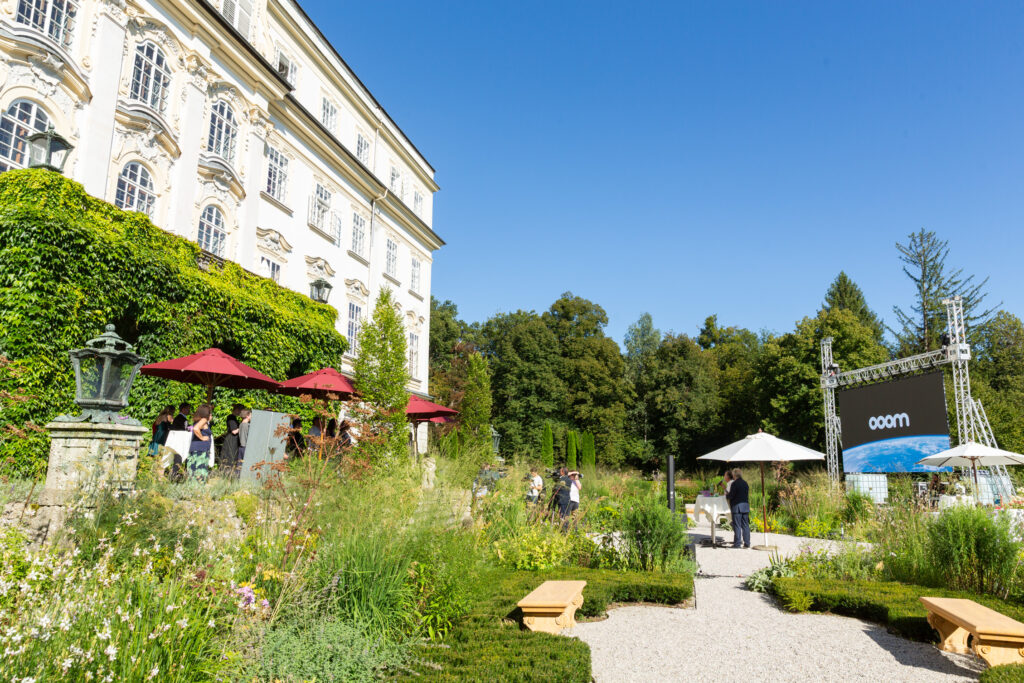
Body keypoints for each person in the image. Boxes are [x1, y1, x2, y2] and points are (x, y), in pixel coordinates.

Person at [726, 467, 751, 549]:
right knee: (745, 525)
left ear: (734, 475)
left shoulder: (734, 484)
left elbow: (731, 495)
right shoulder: (745, 483)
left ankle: (737, 544)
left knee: (737, 525)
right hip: (745, 506)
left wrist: (726, 495)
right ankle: (747, 543)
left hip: (737, 507)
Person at [187, 405, 213, 481]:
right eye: (209, 413)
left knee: (193, 471)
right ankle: (198, 489)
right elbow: (196, 428)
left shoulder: (197, 420)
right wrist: (202, 437)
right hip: (201, 450)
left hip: (194, 448)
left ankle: (192, 489)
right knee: (200, 472)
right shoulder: (204, 420)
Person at [221, 404, 243, 474]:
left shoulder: (234, 418)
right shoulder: (231, 417)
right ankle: (227, 473)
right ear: (237, 410)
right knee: (230, 456)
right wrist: (243, 426)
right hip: (231, 440)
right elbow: (234, 431)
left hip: (233, 440)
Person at [236, 408, 251, 476]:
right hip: (246, 447)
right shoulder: (247, 425)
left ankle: (237, 478)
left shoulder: (241, 424)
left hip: (241, 447)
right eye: (251, 415)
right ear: (247, 416)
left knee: (239, 465)